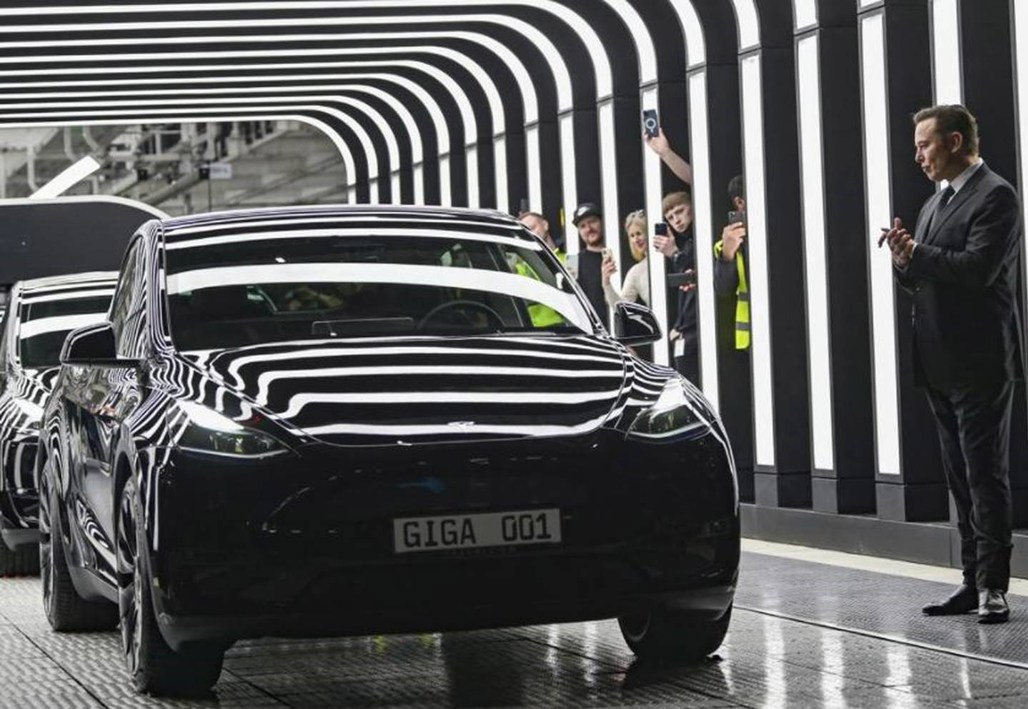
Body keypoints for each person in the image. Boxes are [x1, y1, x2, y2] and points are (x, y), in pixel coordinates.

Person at [880, 104, 1024, 624]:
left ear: (956, 141)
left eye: (925, 144)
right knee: (960, 477)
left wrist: (917, 253)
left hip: (980, 360)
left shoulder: (996, 195)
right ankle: (970, 579)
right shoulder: (933, 204)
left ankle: (994, 587)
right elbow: (923, 277)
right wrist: (903, 260)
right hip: (938, 361)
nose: (918, 156)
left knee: (985, 475)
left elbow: (979, 269)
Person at [651, 191, 698, 380]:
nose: (676, 220)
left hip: (694, 332)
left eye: (680, 211)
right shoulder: (687, 244)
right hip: (685, 331)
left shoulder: (698, 241)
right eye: (670, 217)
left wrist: (674, 254)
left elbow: (694, 281)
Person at [713, 176, 751, 351]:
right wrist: (728, 253)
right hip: (753, 334)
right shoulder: (724, 246)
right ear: (740, 202)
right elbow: (724, 289)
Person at [571, 202, 609, 328]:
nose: (588, 229)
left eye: (592, 221)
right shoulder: (572, 261)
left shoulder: (619, 252)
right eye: (582, 226)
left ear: (602, 222)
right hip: (596, 332)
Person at [602, 209, 650, 307]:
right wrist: (606, 282)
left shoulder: (667, 258)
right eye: (632, 236)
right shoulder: (636, 271)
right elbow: (621, 307)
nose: (636, 239)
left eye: (639, 233)